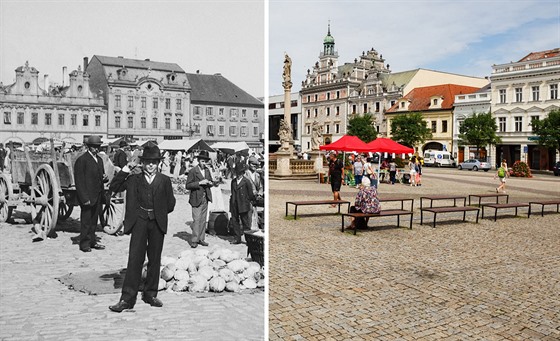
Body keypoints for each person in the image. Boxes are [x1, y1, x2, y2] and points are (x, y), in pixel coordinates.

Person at [108, 142, 176, 313]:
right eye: (147, 162)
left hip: (157, 222)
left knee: (154, 259)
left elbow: (171, 204)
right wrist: (126, 168)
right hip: (139, 221)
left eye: (154, 162)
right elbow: (114, 187)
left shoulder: (165, 180)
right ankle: (127, 299)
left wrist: (158, 212)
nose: (151, 165)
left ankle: (150, 294)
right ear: (142, 163)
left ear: (158, 163)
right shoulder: (134, 179)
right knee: (135, 259)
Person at [74, 135, 108, 252]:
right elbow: (79, 181)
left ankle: (92, 241)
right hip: (87, 196)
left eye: (98, 147)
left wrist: (104, 178)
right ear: (89, 147)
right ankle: (84, 244)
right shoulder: (82, 160)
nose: (96, 149)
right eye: (94, 147)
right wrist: (84, 198)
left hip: (97, 195)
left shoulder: (99, 160)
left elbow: (101, 176)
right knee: (86, 221)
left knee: (94, 221)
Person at [185, 150, 219, 248]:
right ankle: (194, 240)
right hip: (196, 198)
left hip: (205, 198)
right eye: (202, 161)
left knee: (203, 220)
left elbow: (210, 181)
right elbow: (188, 185)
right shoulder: (193, 171)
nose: (204, 163)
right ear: (198, 160)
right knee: (196, 219)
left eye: (205, 162)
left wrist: (212, 183)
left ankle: (201, 238)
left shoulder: (207, 170)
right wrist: (200, 183)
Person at [229, 162, 255, 244]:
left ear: (243, 173)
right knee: (235, 221)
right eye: (237, 173)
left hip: (243, 204)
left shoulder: (246, 181)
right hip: (234, 204)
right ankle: (237, 238)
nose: (238, 174)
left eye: (240, 173)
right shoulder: (233, 182)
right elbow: (232, 193)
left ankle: (248, 240)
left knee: (245, 223)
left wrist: (250, 202)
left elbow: (250, 194)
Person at [245, 156, 263, 230]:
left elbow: (260, 187)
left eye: (256, 165)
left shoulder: (257, 175)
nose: (254, 166)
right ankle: (247, 228)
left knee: (254, 213)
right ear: (249, 164)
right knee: (247, 213)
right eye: (252, 164)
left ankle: (253, 228)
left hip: (255, 198)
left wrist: (259, 194)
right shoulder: (245, 174)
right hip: (246, 197)